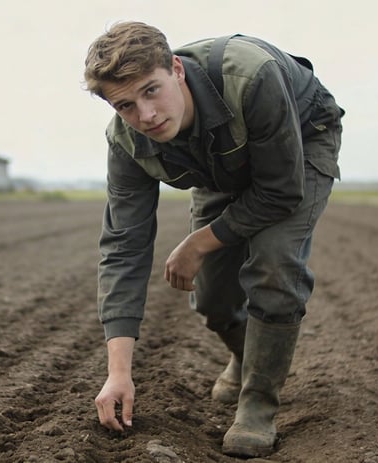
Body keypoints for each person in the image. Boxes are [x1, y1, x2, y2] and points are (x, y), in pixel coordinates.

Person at [83, 21, 343, 457]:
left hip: (299, 142)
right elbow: (124, 247)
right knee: (211, 298)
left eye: (151, 90)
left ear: (177, 71)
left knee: (274, 266)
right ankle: (247, 357)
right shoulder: (127, 141)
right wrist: (118, 373)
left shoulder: (250, 76)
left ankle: (258, 406)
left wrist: (199, 242)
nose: (145, 115)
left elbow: (280, 191)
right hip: (219, 164)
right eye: (125, 104)